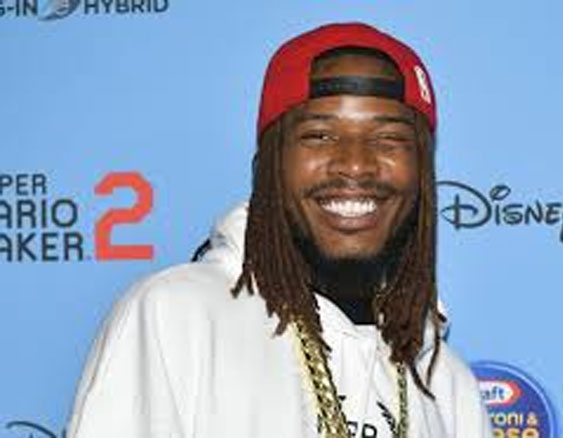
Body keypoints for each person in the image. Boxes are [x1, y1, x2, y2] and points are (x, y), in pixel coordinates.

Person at [67, 22, 491, 438]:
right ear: (268, 165)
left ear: (423, 173)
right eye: (319, 135)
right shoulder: (175, 316)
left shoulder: (444, 383)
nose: (356, 164)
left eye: (388, 139)